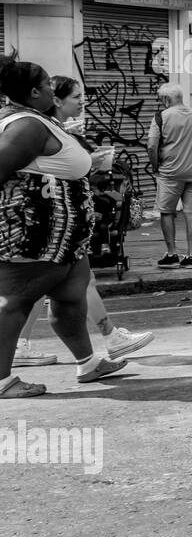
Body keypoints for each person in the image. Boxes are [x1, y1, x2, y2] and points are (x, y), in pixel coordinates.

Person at [0, 60, 129, 395]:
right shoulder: (25, 125)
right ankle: (1, 380)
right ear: (33, 92)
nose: (51, 92)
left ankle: (87, 362)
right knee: (15, 301)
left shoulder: (37, 120)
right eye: (45, 85)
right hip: (34, 235)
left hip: (65, 237)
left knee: (72, 295)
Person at [13, 75, 154, 368]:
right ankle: (108, 339)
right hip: (49, 224)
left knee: (60, 287)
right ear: (54, 98)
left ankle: (88, 357)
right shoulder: (31, 127)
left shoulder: (49, 127)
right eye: (76, 97)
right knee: (52, 287)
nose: (82, 102)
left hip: (63, 224)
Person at [148, 83, 192, 268]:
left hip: (170, 173)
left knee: (167, 212)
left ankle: (172, 254)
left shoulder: (161, 117)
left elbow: (151, 146)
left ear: (166, 99)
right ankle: (190, 256)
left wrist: (156, 166)